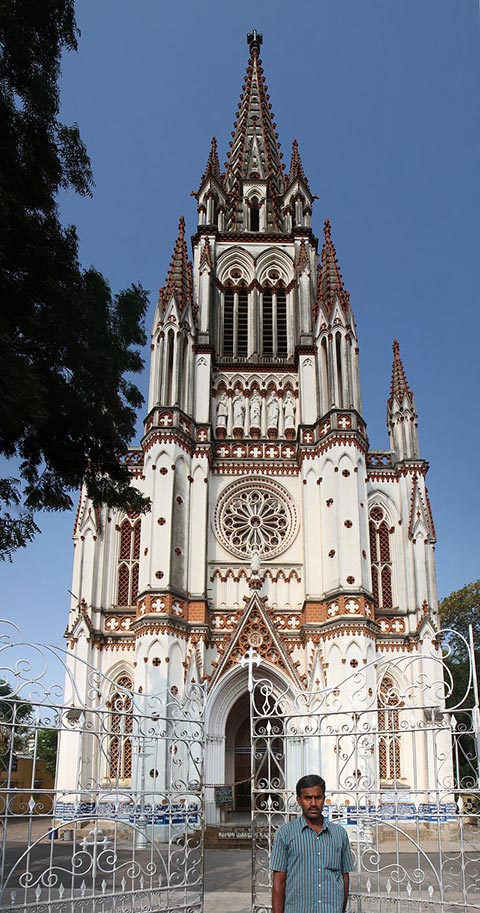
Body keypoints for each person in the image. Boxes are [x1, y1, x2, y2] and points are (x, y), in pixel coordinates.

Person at [271, 774, 354, 913]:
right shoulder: (285, 834)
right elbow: (279, 882)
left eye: (318, 797)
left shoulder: (339, 834)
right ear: (299, 800)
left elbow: (344, 877)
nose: (313, 803)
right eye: (308, 798)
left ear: (324, 798)